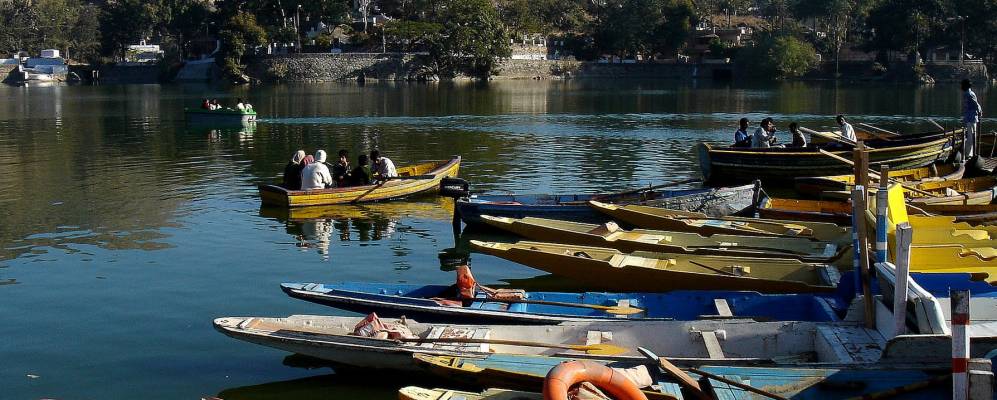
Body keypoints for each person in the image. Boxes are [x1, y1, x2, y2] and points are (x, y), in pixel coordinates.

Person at [962, 79, 982, 160]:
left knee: (969, 136)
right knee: (972, 137)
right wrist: (980, 111)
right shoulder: (970, 94)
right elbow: (976, 105)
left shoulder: (966, 94)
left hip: (968, 118)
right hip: (972, 118)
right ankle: (969, 155)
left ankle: (968, 154)